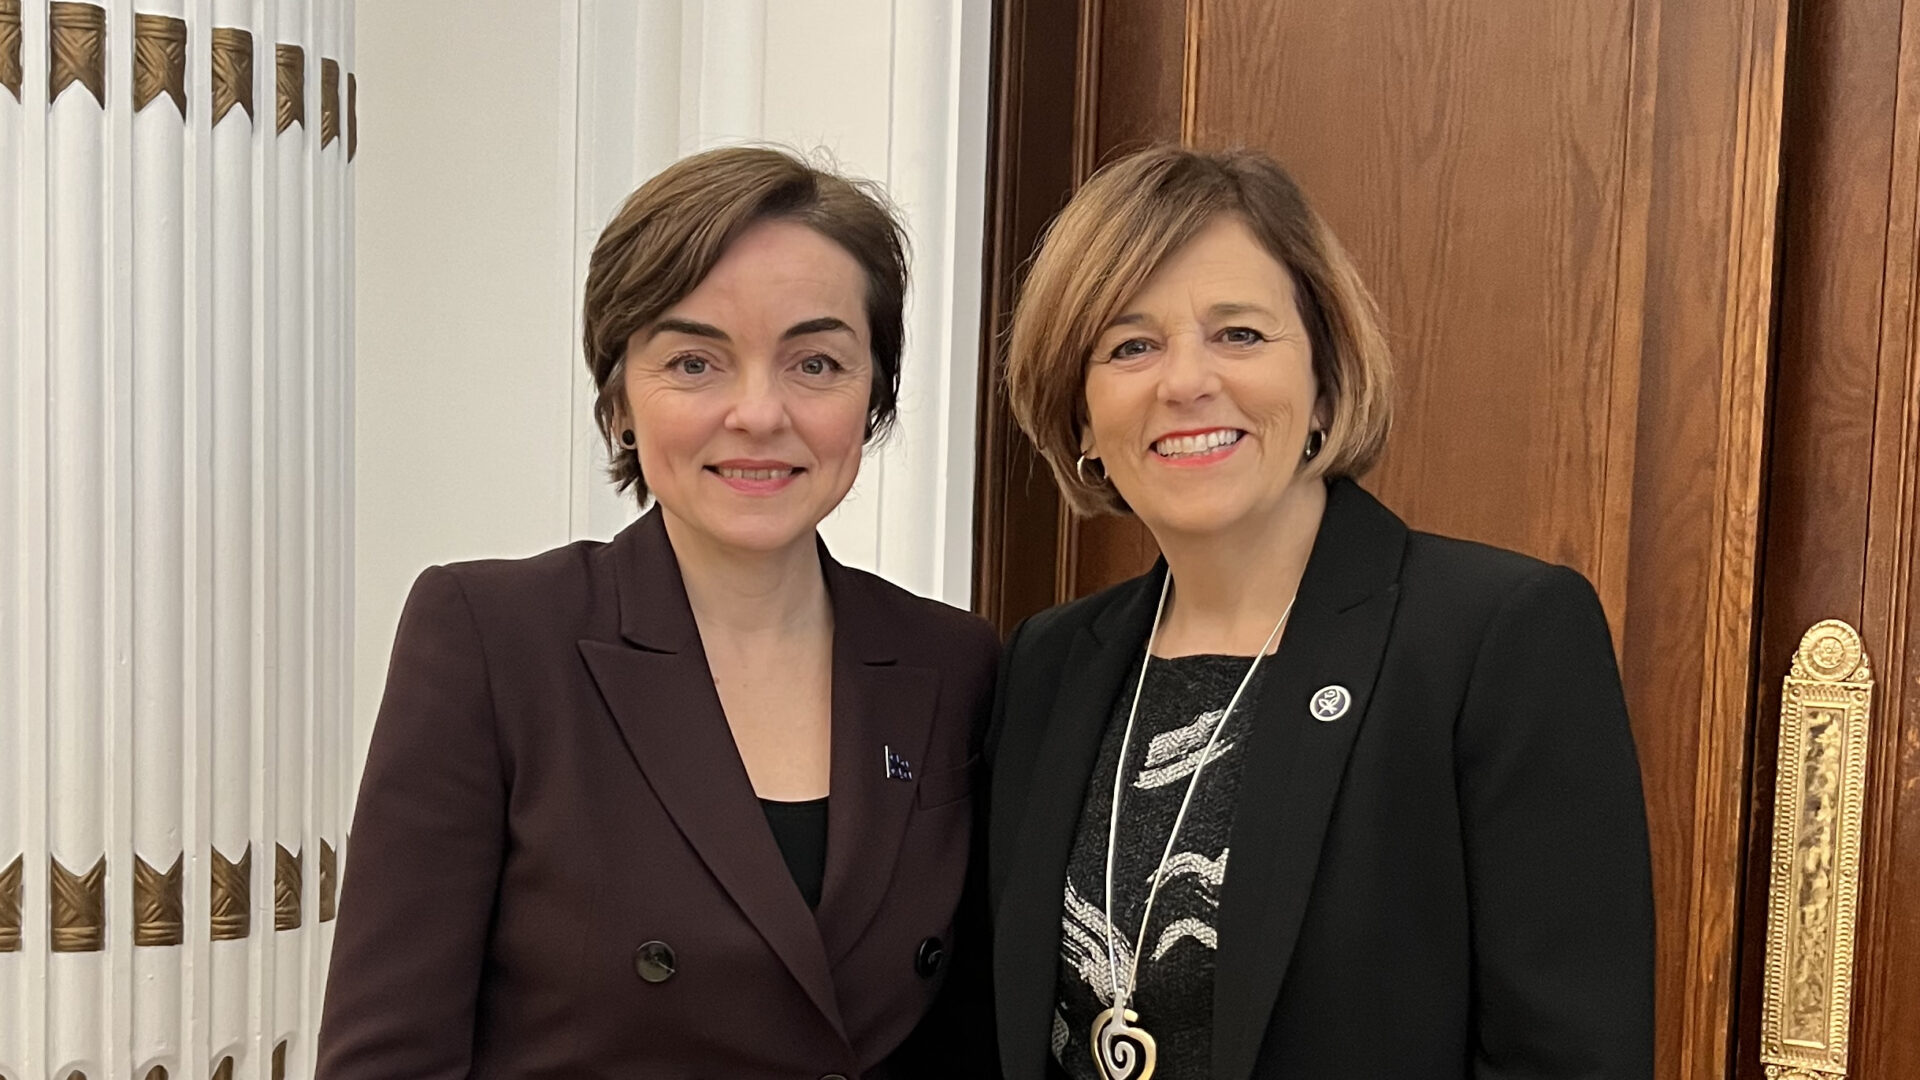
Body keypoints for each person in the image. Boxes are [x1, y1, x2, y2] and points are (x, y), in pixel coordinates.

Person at [316, 146, 998, 1079]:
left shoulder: (955, 664)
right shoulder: (493, 637)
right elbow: (387, 1059)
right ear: (620, 399)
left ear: (874, 394)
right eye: (694, 360)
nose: (759, 412)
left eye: (816, 361)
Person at [986, 145, 1654, 1080]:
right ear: (1083, 417)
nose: (1186, 382)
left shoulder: (1496, 637)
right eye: (1131, 345)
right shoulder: (1048, 663)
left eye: (1240, 335)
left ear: (1326, 380)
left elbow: (1571, 1057)